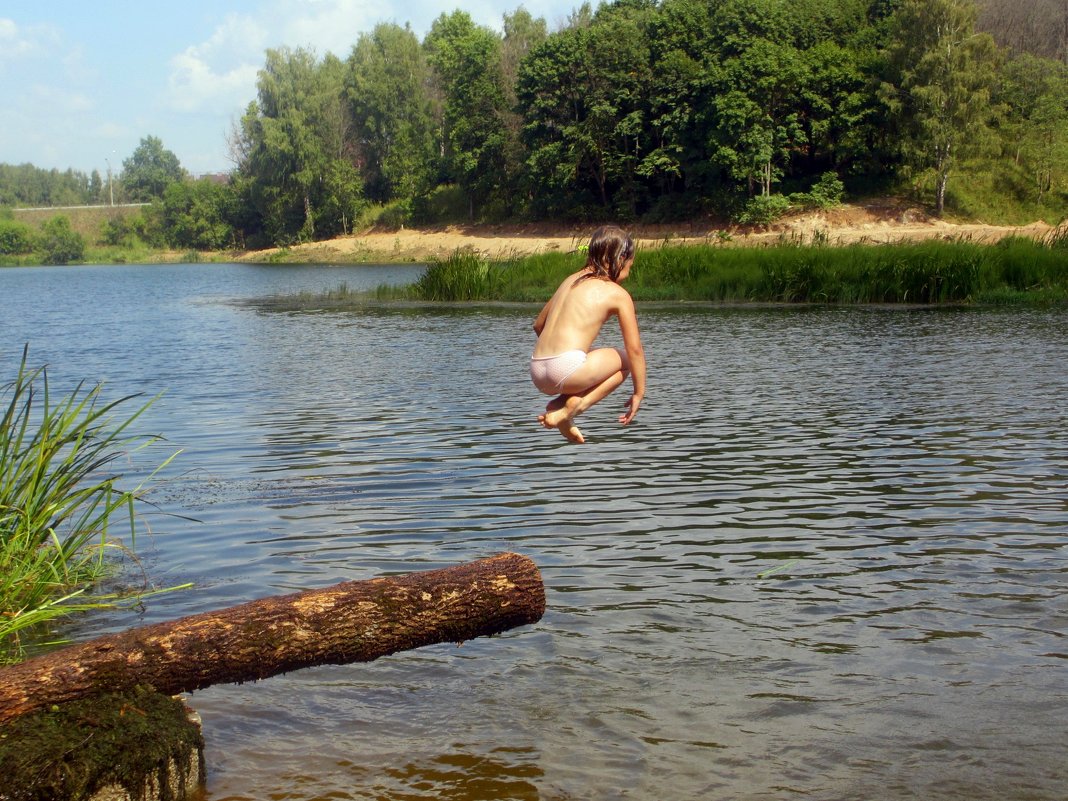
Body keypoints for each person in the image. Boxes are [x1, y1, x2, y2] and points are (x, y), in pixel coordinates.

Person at [530, 225, 646, 444]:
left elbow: (538, 325)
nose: (626, 275)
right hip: (565, 369)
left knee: (588, 355)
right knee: (625, 361)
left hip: (537, 369)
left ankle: (559, 405)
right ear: (620, 258)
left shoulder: (569, 280)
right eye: (630, 266)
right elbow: (635, 350)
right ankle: (574, 407)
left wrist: (560, 359)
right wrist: (639, 393)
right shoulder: (618, 294)